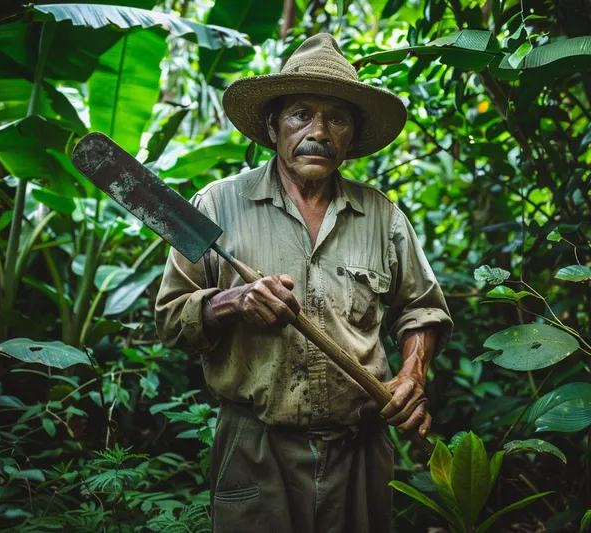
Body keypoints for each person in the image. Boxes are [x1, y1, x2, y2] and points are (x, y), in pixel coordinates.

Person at [155, 33, 453, 533]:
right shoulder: (215, 206)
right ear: (273, 126)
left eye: (336, 118)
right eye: (300, 114)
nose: (318, 131)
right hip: (255, 447)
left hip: (359, 449)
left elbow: (422, 309)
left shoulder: (382, 215)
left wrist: (412, 374)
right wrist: (231, 301)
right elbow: (171, 321)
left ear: (352, 135)